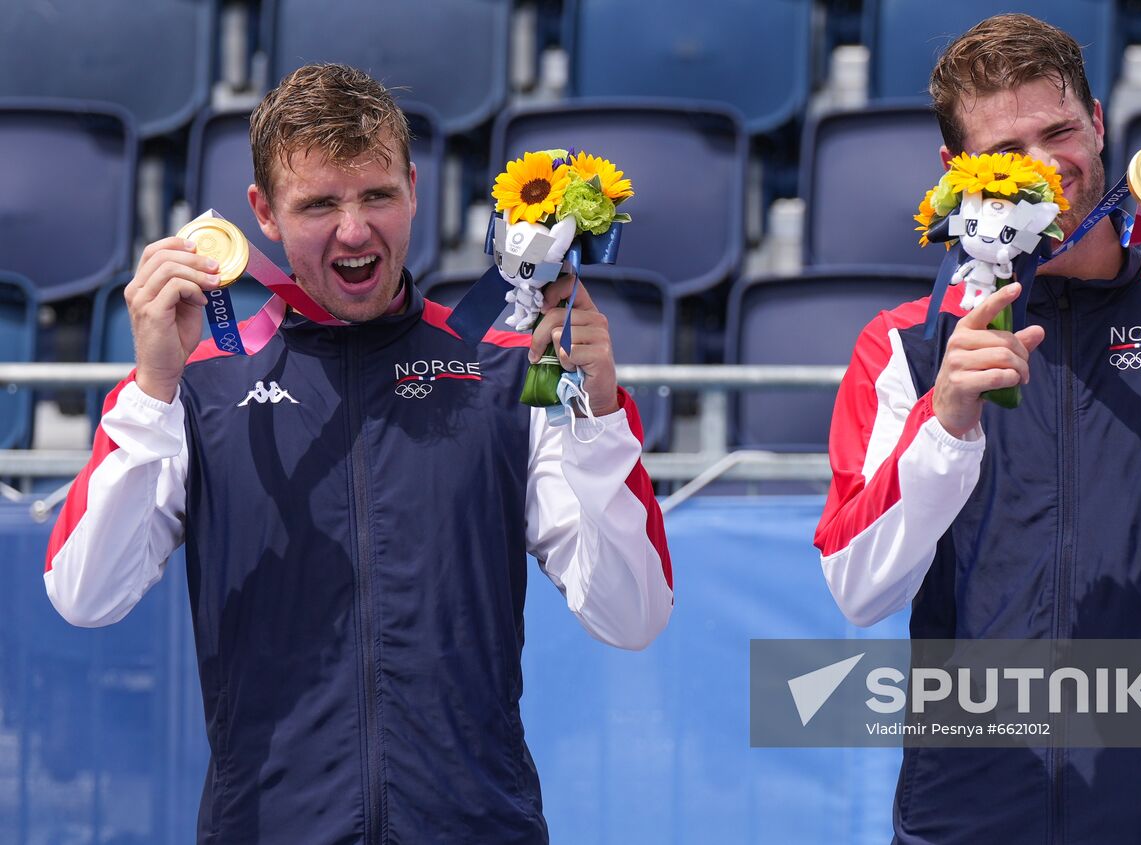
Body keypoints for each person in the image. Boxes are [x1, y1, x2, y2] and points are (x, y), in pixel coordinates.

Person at [44, 63, 673, 843]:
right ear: (262, 214)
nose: (353, 230)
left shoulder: (512, 369)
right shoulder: (194, 387)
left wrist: (599, 416)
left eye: (376, 195)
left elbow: (633, 615)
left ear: (414, 188)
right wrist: (149, 391)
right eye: (318, 204)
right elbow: (84, 594)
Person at [813, 14, 1141, 844]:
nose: (1046, 167)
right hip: (967, 805)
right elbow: (859, 589)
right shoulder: (910, 342)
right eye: (1007, 149)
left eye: (1061, 131)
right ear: (958, 170)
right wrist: (946, 422)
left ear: (1099, 123)